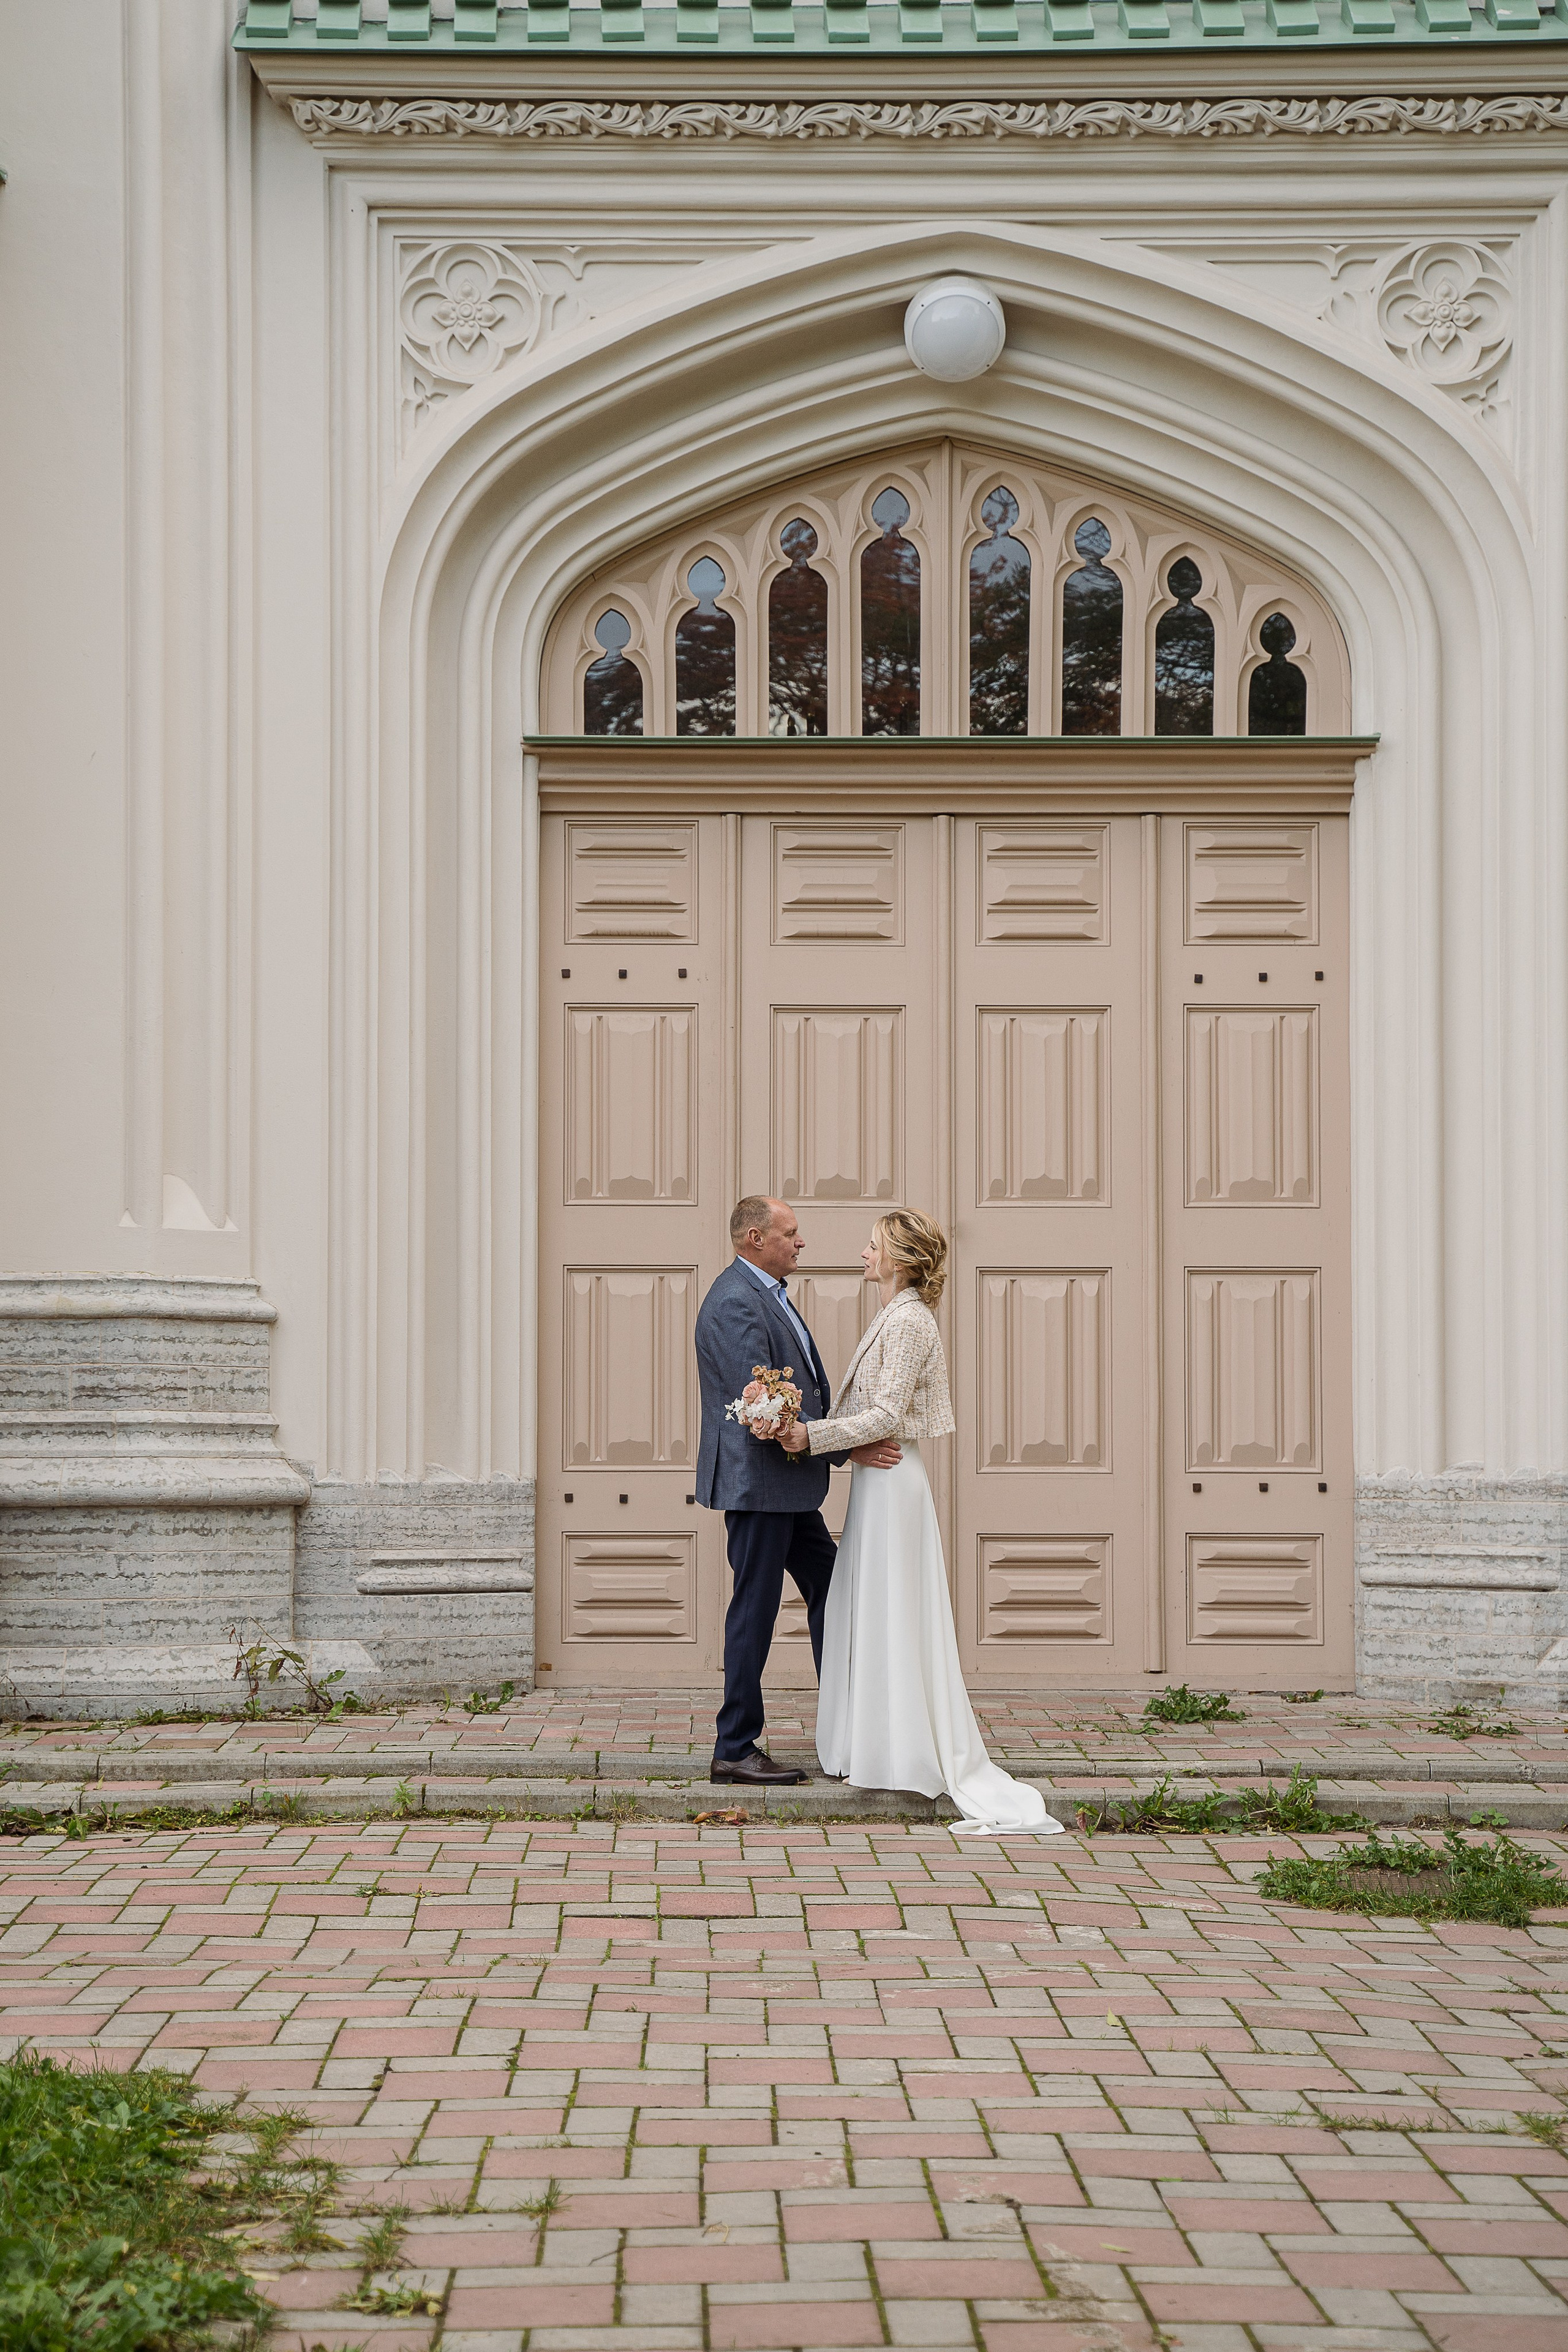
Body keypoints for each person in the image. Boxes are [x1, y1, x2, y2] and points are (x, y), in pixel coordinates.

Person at [776, 1208, 1065, 1837]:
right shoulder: (892, 1315)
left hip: (893, 1484)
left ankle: (900, 1750)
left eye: (872, 1246)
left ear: (901, 1259)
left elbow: (885, 1414)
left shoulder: (908, 1321)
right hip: (877, 1482)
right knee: (873, 1608)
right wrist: (835, 1439)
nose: (862, 1254)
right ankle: (872, 1744)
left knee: (894, 1610)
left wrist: (808, 1436)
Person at [694, 1196, 902, 1787]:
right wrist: (846, 1447)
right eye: (792, 1233)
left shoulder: (767, 1294)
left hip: (785, 1487)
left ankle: (849, 1722)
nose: (801, 1242)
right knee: (754, 1612)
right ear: (756, 1238)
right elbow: (761, 1408)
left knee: (831, 1592)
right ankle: (734, 1746)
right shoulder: (736, 1301)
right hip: (760, 1485)